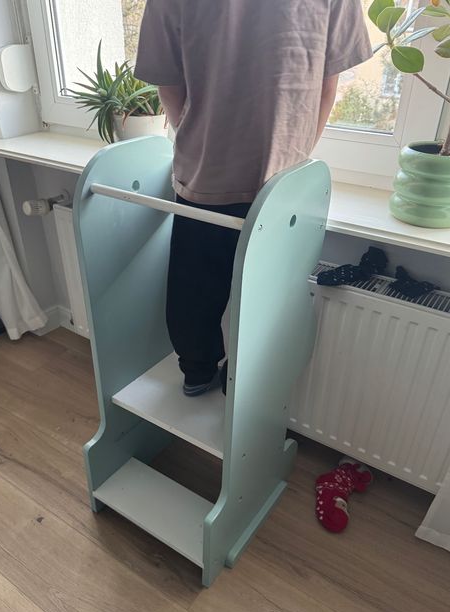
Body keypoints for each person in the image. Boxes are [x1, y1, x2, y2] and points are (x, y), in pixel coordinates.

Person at [135, 0, 372, 396]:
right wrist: (297, 153)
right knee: (270, 295)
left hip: (207, 171)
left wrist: (198, 140)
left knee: (194, 287)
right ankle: (242, 386)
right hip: (283, 179)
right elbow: (327, 85)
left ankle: (196, 370)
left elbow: (169, 86)